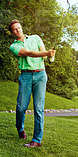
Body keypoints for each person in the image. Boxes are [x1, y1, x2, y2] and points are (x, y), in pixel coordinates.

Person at [8, 20, 56, 148]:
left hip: (40, 75)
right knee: (21, 107)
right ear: (12, 33)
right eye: (15, 29)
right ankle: (20, 129)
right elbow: (28, 53)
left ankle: (36, 140)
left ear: (21, 27)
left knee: (39, 108)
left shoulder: (36, 38)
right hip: (26, 76)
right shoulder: (14, 47)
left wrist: (50, 55)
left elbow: (45, 56)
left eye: (19, 27)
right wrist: (46, 53)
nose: (18, 30)